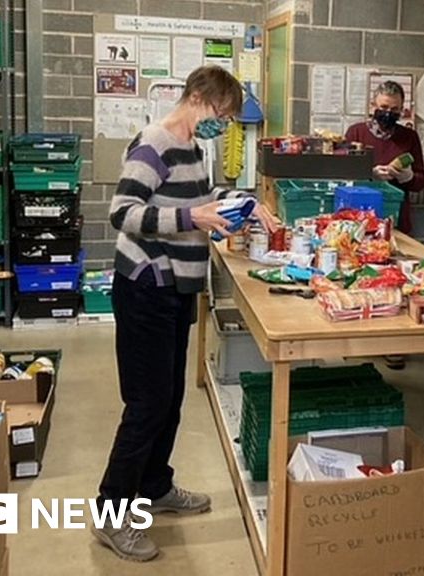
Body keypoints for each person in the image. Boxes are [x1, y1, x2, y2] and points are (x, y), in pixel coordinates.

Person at [95, 65, 277, 562]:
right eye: (221, 114)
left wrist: (242, 202)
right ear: (198, 97)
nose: (224, 124)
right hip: (145, 286)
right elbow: (122, 212)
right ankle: (110, 514)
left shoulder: (195, 149)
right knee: (147, 404)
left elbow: (202, 200)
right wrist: (190, 218)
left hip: (177, 287)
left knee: (170, 396)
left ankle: (154, 485)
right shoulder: (154, 142)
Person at [346, 81, 424, 370]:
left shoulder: (409, 137)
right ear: (372, 106)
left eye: (393, 109)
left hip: (396, 220)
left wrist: (405, 177)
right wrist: (368, 174)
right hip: (359, 219)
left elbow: (421, 180)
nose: (387, 113)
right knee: (358, 278)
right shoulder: (356, 132)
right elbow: (342, 172)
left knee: (394, 284)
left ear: (402, 109)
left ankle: (394, 346)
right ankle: (356, 342)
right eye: (382, 108)